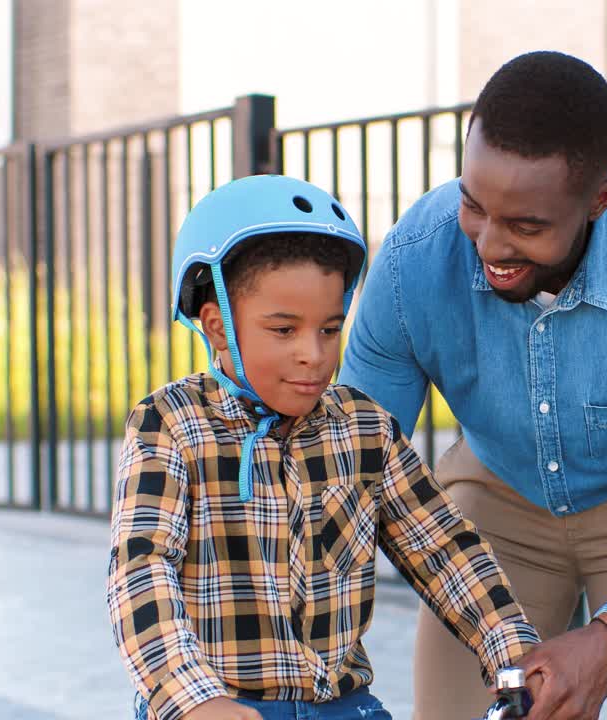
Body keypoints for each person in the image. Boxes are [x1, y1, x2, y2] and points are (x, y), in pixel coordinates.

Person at [339, 50, 607, 720]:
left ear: (600, 200)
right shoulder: (414, 260)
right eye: (474, 205)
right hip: (498, 496)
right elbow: (349, 462)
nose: (488, 245)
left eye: (527, 226)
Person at [107, 175, 540, 720]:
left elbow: (442, 548)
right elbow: (142, 569)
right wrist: (191, 697)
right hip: (220, 704)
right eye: (284, 331)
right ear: (218, 329)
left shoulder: (365, 430)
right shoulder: (170, 424)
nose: (314, 354)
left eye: (330, 329)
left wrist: (512, 649)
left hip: (341, 704)